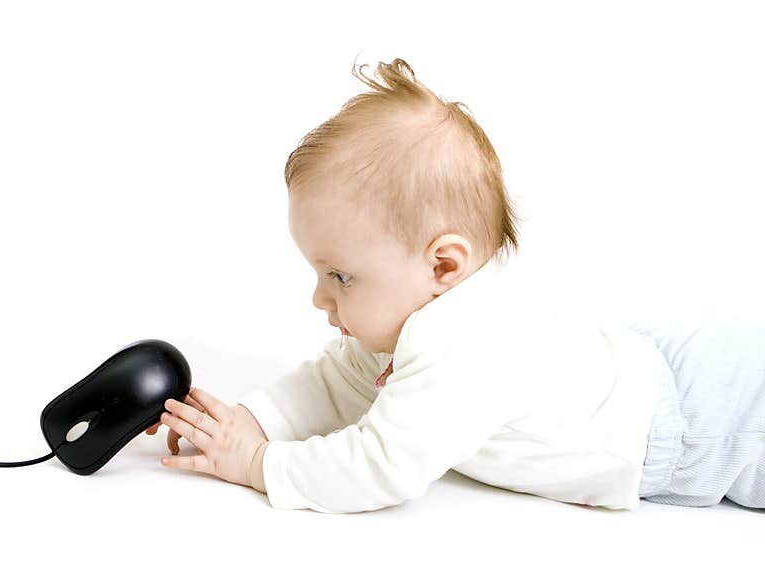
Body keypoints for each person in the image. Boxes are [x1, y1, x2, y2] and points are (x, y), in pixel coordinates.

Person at [147, 58, 764, 513]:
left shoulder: (464, 342)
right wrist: (246, 422)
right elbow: (336, 383)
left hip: (706, 418)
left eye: (340, 276)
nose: (320, 299)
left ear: (444, 266)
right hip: (658, 372)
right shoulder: (426, 307)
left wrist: (257, 463)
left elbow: (380, 466)